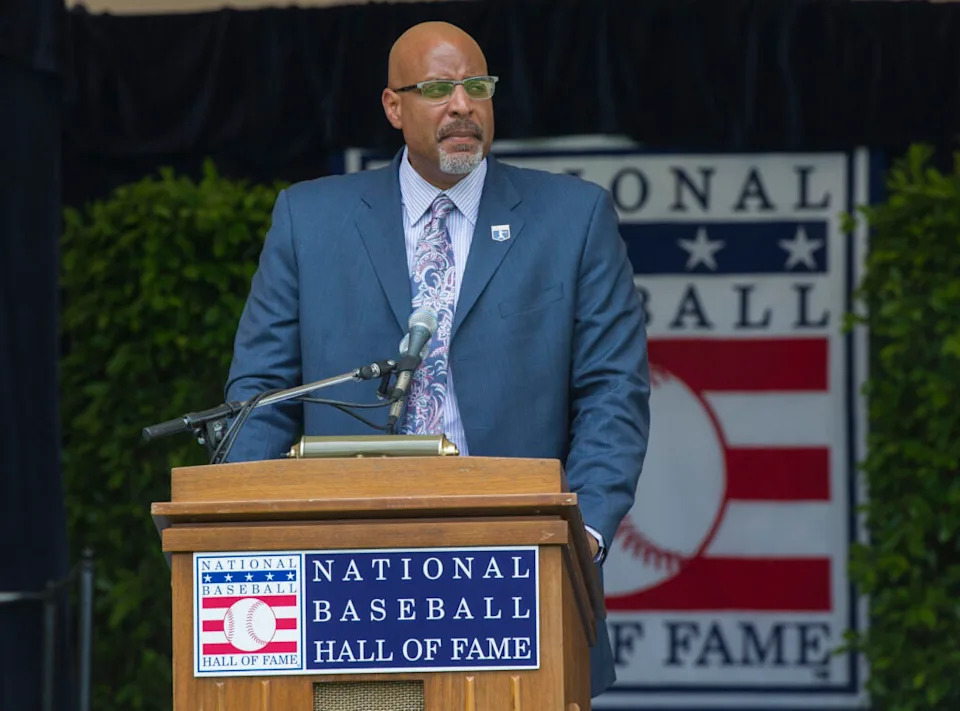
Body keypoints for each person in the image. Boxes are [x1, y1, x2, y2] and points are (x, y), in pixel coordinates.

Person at [223, 20, 651, 698]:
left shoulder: (572, 218)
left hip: (517, 575)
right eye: (437, 88)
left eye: (476, 87)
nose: (461, 105)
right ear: (393, 107)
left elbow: (612, 392)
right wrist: (242, 533)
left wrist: (581, 535)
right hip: (345, 582)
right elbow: (263, 393)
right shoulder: (310, 220)